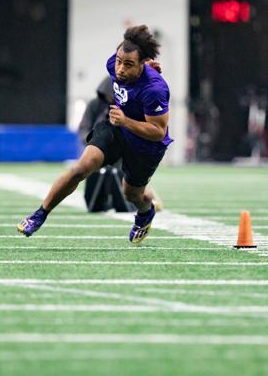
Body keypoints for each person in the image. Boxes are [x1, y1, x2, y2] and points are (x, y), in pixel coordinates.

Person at [18, 25, 172, 243]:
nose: (120, 69)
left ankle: (145, 213)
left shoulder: (155, 89)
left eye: (128, 65)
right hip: (116, 130)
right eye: (119, 61)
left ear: (141, 65)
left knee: (132, 194)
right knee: (80, 168)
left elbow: (158, 132)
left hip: (145, 145)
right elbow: (126, 60)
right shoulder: (114, 63)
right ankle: (40, 214)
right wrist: (122, 121)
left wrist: (127, 120)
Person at [79, 76, 164, 213]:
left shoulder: (128, 107)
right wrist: (92, 143)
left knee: (129, 174)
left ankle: (148, 197)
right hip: (99, 149)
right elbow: (84, 128)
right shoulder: (95, 105)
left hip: (123, 150)